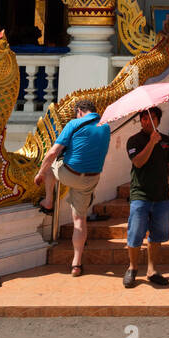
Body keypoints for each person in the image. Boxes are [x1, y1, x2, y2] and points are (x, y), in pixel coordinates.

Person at [34, 97, 111, 277]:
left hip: (70, 174)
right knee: (79, 219)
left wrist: (40, 173)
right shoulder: (106, 126)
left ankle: (48, 201)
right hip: (91, 178)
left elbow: (53, 152)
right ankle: (76, 264)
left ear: (79, 111)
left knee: (51, 169)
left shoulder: (73, 123)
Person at [123, 106, 169, 289]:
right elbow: (138, 162)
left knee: (157, 235)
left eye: (152, 118)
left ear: (158, 120)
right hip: (141, 194)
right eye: (144, 118)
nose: (148, 121)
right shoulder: (134, 141)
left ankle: (152, 270)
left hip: (161, 195)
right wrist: (151, 143)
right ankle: (132, 268)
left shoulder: (166, 141)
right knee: (136, 232)